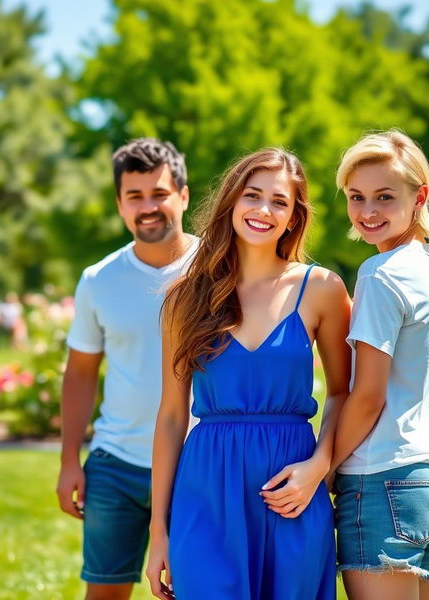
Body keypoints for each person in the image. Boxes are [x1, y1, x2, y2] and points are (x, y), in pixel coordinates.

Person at [147, 148, 351, 600]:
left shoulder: (322, 289)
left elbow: (343, 393)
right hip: (206, 488)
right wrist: (158, 531)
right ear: (231, 202)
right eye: (252, 195)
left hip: (291, 487)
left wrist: (319, 466)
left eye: (279, 201)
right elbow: (171, 418)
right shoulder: (185, 297)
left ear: (295, 217)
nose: (263, 210)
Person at [56, 138, 198, 600]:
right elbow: (80, 372)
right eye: (134, 196)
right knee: (104, 594)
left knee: (194, 590)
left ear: (183, 195)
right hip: (115, 465)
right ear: (119, 204)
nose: (148, 206)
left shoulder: (218, 269)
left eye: (159, 193)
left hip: (195, 462)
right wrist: (68, 461)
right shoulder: (99, 280)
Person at [330, 130, 429, 600]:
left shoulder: (381, 274)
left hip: (383, 483)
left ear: (419, 196)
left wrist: (324, 465)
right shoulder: (426, 265)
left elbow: (368, 396)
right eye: (356, 197)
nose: (368, 212)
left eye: (385, 197)